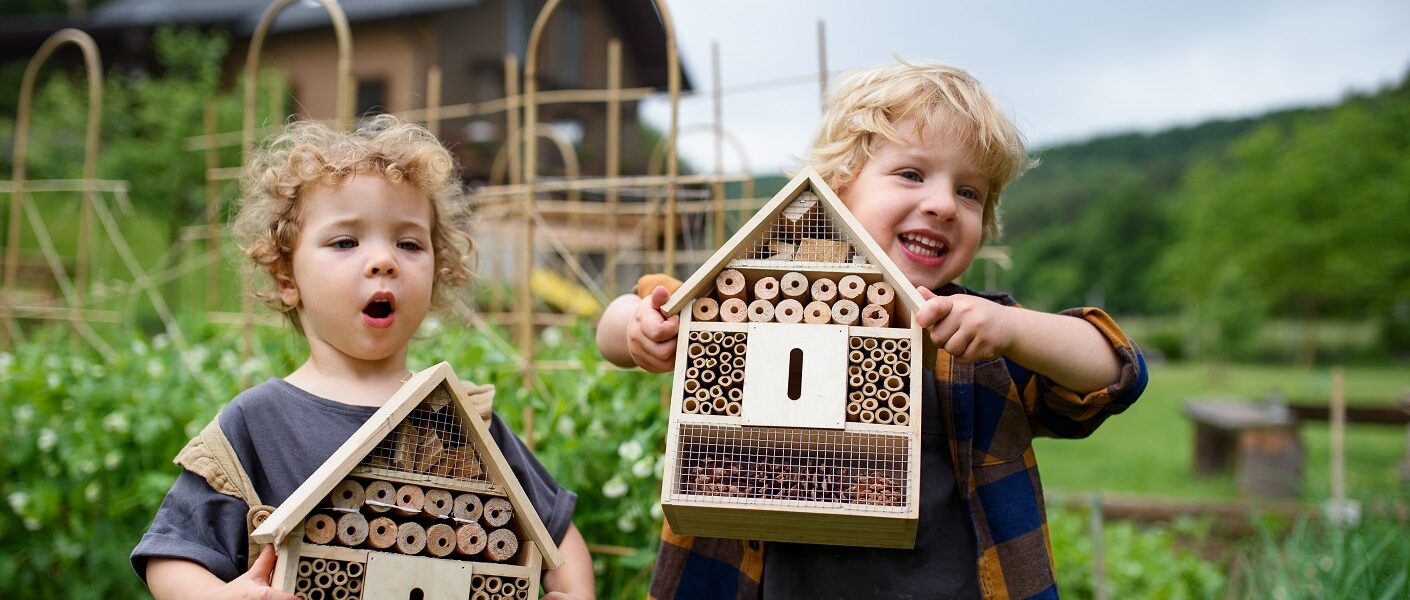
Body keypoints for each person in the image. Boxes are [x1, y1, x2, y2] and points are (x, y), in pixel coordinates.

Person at [597, 59, 1148, 599]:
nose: (942, 205)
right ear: (839, 186)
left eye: (969, 192)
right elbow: (619, 320)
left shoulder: (977, 336)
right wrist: (640, 331)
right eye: (911, 174)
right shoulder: (755, 296)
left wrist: (1012, 328)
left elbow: (1117, 370)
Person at [132, 115, 595, 600]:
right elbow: (171, 556)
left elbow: (559, 538)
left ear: (437, 273)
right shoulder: (256, 424)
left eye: (409, 243)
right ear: (286, 277)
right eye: (346, 241)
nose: (383, 260)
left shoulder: (461, 421)